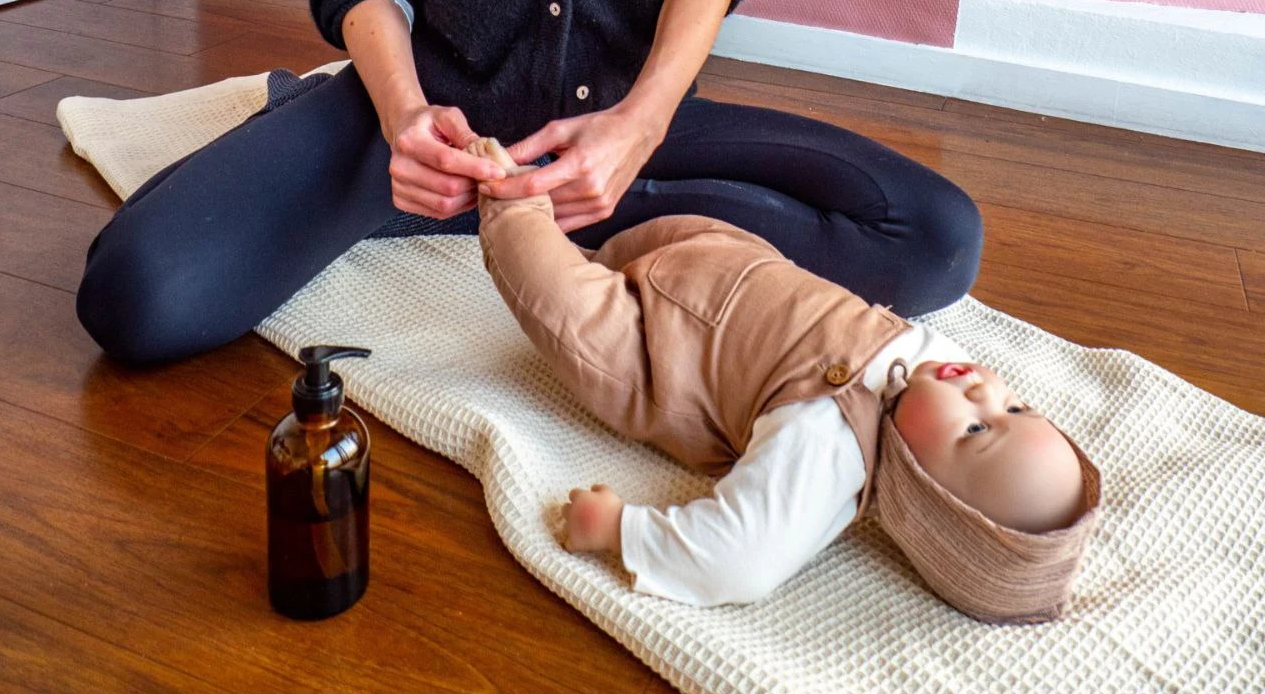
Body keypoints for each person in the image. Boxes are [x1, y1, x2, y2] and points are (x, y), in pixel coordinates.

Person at [75, 0, 982, 366]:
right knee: (136, 296)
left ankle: (560, 205)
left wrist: (640, 123)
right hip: (421, 121)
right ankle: (467, 199)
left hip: (627, 125)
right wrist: (400, 118)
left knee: (935, 239)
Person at [467, 137, 1100, 623]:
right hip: (711, 255)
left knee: (570, 312)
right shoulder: (930, 368)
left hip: (647, 351)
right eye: (1017, 406)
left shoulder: (830, 455)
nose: (983, 391)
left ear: (922, 489)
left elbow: (739, 562)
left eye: (975, 429)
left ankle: (507, 200)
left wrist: (618, 530)